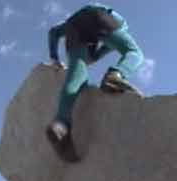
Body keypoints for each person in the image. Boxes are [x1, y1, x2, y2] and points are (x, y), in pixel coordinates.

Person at [47, 3, 144, 142]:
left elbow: (53, 32)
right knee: (135, 53)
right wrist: (95, 58)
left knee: (77, 78)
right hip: (100, 16)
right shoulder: (121, 27)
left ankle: (60, 124)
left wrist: (54, 59)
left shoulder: (69, 24)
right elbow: (109, 44)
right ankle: (115, 76)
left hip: (74, 25)